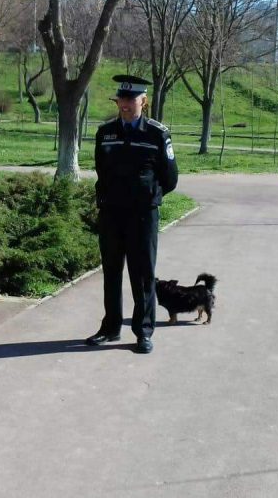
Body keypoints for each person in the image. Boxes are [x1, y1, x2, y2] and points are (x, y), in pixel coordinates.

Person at [86, 75, 178, 354]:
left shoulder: (157, 134)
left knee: (143, 275)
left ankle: (143, 332)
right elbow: (101, 170)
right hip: (112, 214)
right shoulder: (106, 132)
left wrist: (147, 195)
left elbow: (170, 178)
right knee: (111, 272)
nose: (124, 105)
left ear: (143, 101)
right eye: (121, 100)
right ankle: (111, 327)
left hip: (142, 216)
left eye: (130, 100)